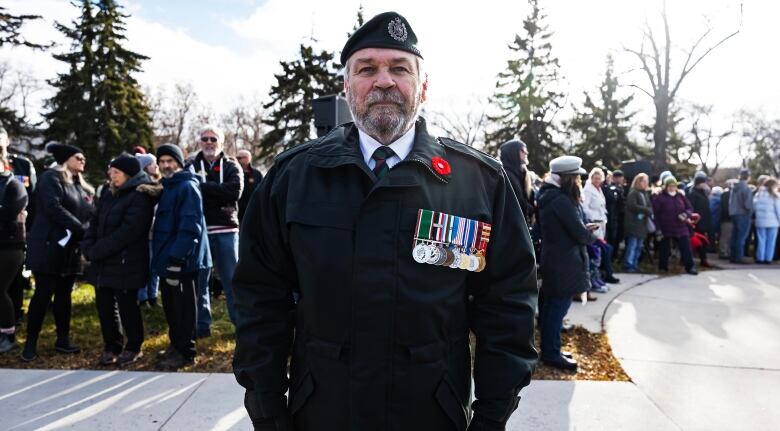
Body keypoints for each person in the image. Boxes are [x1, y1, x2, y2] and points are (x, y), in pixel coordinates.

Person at [232, 12, 538, 431]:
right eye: (367, 69)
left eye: (399, 68)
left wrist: (490, 417)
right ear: (347, 86)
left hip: (432, 414)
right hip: (322, 412)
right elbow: (259, 301)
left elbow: (507, 307)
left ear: (423, 86)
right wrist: (268, 412)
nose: (383, 81)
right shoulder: (293, 179)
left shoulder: (477, 184)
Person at [81, 154, 158, 366]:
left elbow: (129, 231)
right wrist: (87, 244)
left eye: (116, 173)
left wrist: (97, 250)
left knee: (127, 306)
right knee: (104, 305)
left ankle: (134, 346)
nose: (111, 176)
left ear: (128, 175)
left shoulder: (139, 195)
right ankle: (111, 345)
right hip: (103, 260)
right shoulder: (109, 192)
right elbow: (95, 221)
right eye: (111, 172)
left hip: (126, 261)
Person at [22, 144, 95, 361]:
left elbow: (90, 212)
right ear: (66, 159)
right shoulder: (50, 179)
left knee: (64, 295)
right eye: (78, 156)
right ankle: (30, 342)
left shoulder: (82, 187)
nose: (83, 160)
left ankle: (63, 339)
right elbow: (53, 208)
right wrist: (80, 228)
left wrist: (88, 229)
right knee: (43, 295)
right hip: (48, 245)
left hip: (70, 249)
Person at [152, 144, 211, 371]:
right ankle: (176, 346)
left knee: (183, 310)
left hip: (183, 262)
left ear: (179, 162)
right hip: (168, 260)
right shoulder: (169, 186)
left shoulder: (187, 186)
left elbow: (190, 227)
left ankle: (186, 352)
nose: (166, 165)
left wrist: (177, 259)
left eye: (170, 161)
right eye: (162, 161)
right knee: (171, 307)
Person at [537, 156, 597, 371]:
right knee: (556, 310)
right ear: (567, 178)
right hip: (564, 262)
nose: (579, 181)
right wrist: (590, 233)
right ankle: (551, 354)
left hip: (556, 260)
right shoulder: (560, 200)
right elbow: (579, 234)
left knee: (552, 308)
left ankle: (551, 349)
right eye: (576, 177)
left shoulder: (550, 196)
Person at [189, 125, 243, 335]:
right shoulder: (192, 164)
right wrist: (218, 194)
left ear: (221, 142)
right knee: (201, 282)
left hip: (226, 230)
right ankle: (202, 327)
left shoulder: (231, 164)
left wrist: (203, 188)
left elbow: (234, 191)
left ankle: (240, 326)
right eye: (205, 139)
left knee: (232, 281)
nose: (209, 143)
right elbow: (190, 193)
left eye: (213, 139)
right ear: (200, 142)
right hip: (200, 231)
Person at [0, 126, 36, 327]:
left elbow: (35, 199)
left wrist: (32, 230)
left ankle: (14, 318)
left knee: (14, 280)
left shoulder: (22, 165)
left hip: (17, 232)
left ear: (8, 141)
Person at [0, 156, 28, 352]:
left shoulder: (14, 185)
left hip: (9, 247)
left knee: (0, 290)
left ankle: (8, 334)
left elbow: (7, 213)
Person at [652, 177, 697, 275]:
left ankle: (690, 267)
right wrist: (658, 228)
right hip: (666, 227)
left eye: (674, 186)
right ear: (666, 186)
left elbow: (689, 208)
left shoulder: (680, 196)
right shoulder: (660, 197)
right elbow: (655, 214)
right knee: (664, 249)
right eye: (670, 186)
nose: (672, 188)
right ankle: (663, 267)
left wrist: (685, 214)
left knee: (686, 248)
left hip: (681, 227)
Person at [582, 167, 619, 286]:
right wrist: (593, 219)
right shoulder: (588, 190)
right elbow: (585, 207)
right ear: (591, 178)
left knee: (602, 250)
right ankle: (602, 275)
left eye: (599, 178)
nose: (597, 180)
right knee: (600, 249)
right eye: (595, 178)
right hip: (594, 223)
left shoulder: (599, 189)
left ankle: (602, 275)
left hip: (601, 222)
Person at [136, 152, 161, 307]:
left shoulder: (159, 184)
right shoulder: (141, 186)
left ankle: (153, 295)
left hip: (157, 232)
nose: (156, 166)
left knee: (156, 267)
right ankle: (143, 296)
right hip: (146, 233)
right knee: (146, 265)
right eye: (152, 164)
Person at [622, 173, 653, 272]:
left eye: (647, 181)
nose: (646, 183)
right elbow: (633, 206)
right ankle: (628, 264)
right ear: (638, 181)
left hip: (642, 225)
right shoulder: (633, 192)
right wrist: (646, 210)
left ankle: (635, 264)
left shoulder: (645, 193)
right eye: (644, 181)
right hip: (633, 224)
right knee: (632, 246)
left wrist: (649, 210)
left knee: (639, 247)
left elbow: (649, 206)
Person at [499, 139, 535, 224]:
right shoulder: (505, 176)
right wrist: (531, 208)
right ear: (513, 153)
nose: (526, 153)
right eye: (523, 150)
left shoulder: (520, 174)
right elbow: (514, 206)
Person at [728, 168, 754, 263]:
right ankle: (739, 257)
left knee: (735, 236)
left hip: (734, 213)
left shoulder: (734, 188)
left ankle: (733, 256)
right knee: (741, 237)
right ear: (748, 177)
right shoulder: (746, 188)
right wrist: (751, 212)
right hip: (743, 214)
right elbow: (748, 204)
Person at [753, 178, 780, 264]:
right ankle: (768, 258)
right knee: (771, 241)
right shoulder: (775, 196)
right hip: (773, 222)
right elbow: (778, 210)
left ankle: (760, 258)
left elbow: (754, 208)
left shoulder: (758, 195)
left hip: (760, 221)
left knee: (761, 240)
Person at [688, 176, 713, 268]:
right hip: (697, 222)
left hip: (704, 221)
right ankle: (692, 260)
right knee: (695, 242)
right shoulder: (693, 194)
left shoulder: (703, 193)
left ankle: (703, 259)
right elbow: (691, 208)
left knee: (702, 242)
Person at [236, 149, 263, 223]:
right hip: (237, 212)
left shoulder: (256, 174)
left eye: (240, 158)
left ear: (248, 158)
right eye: (237, 158)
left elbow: (262, 190)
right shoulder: (233, 172)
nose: (237, 160)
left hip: (253, 210)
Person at [604, 169, 626, 256]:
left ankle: (614, 255)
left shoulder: (621, 188)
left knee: (617, 237)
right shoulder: (610, 189)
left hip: (619, 217)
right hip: (612, 217)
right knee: (612, 238)